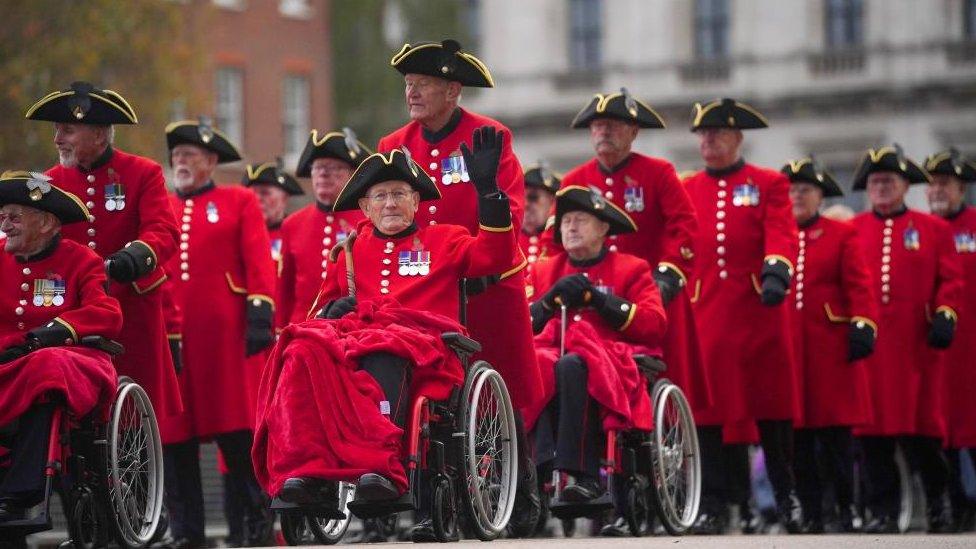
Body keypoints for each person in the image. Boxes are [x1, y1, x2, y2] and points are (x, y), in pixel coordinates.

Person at [252, 127, 518, 541]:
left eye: (399, 194)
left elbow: (497, 255)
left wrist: (490, 194)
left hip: (427, 352)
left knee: (385, 348)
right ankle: (306, 472)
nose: (390, 203)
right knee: (301, 349)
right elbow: (318, 310)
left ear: (416, 201)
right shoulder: (349, 253)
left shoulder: (445, 240)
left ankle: (382, 466)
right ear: (364, 206)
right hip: (357, 348)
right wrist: (330, 310)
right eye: (380, 196)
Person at [376, 39, 544, 535]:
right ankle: (438, 497)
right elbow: (383, 214)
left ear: (452, 89)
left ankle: (522, 488)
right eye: (407, 85)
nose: (411, 93)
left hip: (488, 287)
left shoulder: (490, 136)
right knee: (431, 392)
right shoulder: (393, 145)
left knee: (505, 391)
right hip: (425, 290)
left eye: (422, 84)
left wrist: (488, 203)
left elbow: (510, 211)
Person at [561, 94, 710, 528]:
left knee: (654, 396)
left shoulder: (658, 173)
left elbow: (684, 228)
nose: (603, 132)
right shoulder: (575, 180)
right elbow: (560, 245)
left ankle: (658, 486)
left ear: (633, 132)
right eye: (597, 126)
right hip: (592, 311)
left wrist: (666, 274)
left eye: (613, 125)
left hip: (648, 300)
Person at [24, 81, 181, 421]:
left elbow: (164, 231)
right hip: (74, 308)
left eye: (67, 130)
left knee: (138, 412)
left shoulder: (143, 172)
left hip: (132, 305)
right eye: (56, 130)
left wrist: (134, 257)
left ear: (97, 134)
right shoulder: (47, 184)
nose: (57, 139)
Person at [682, 98, 801, 533]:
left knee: (772, 410)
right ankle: (714, 503)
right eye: (702, 134)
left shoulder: (767, 183)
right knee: (709, 413)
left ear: (736, 137)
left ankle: (787, 497)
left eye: (716, 133)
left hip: (757, 311)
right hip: (708, 311)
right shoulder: (688, 187)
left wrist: (776, 270)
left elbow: (781, 231)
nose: (707, 140)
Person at [159, 119, 277, 548]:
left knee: (238, 437)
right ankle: (187, 532)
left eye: (189, 156)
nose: (181, 163)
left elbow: (258, 260)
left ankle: (256, 525)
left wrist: (261, 311)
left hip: (226, 340)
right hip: (175, 342)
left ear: (210, 161)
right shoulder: (162, 208)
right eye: (176, 157)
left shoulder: (238, 200)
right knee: (177, 442)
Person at [528, 185, 666, 507]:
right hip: (556, 357)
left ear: (604, 229)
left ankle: (583, 476)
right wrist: (548, 301)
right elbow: (522, 322)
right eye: (565, 222)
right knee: (536, 362)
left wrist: (601, 301)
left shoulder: (631, 268)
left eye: (580, 220)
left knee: (572, 364)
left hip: (611, 361)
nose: (571, 227)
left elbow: (654, 324)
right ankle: (538, 466)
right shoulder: (544, 270)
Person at [850, 145, 963, 533]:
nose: (881, 188)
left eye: (889, 181)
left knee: (924, 438)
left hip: (916, 347)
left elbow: (951, 279)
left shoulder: (933, 229)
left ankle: (939, 505)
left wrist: (946, 314)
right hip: (872, 349)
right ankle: (883, 512)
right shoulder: (854, 230)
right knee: (873, 440)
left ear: (904, 186)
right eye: (875, 182)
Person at [0, 172, 121, 524]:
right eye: (3, 216)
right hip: (10, 364)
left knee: (46, 366)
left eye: (15, 217)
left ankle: (22, 490)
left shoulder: (82, 260)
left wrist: (52, 332)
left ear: (48, 223)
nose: (5, 225)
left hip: (73, 360)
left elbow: (107, 313)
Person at [782, 157, 878, 533]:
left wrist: (863, 324)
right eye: (790, 191)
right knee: (799, 443)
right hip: (791, 353)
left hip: (829, 350)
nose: (796, 197)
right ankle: (811, 513)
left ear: (820, 195)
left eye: (803, 190)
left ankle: (845, 508)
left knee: (836, 441)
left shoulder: (841, 235)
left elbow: (859, 284)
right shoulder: (779, 235)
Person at [925, 148, 976, 532]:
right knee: (942, 433)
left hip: (972, 346)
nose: (937, 191)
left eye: (945, 184)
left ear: (961, 188)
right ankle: (955, 505)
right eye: (932, 185)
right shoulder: (923, 231)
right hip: (939, 348)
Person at [277, 129, 370, 325]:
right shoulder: (293, 223)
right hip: (303, 327)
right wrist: (280, 331)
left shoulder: (368, 219)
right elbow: (284, 289)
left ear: (351, 175)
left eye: (335, 168)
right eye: (318, 168)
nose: (324, 174)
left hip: (351, 326)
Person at [519, 164, 559, 270]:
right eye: (521, 197)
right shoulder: (508, 241)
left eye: (533, 197)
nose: (525, 204)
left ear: (552, 202)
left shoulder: (561, 243)